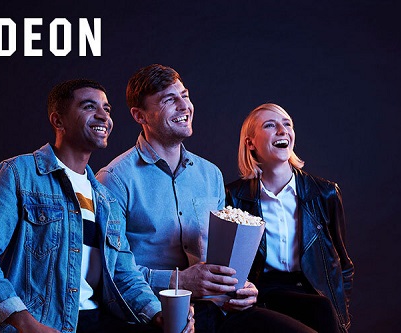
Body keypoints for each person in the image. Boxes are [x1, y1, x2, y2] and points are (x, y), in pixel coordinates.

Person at [0, 79, 194, 333]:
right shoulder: (18, 175)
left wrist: (157, 313)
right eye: (88, 107)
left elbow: (123, 274)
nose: (103, 116)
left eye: (107, 109)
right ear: (58, 121)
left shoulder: (106, 200)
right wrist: (26, 323)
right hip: (41, 324)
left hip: (98, 322)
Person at [96, 64, 315, 333]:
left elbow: (223, 256)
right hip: (156, 316)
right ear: (140, 115)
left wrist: (239, 288)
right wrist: (179, 281)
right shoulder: (114, 179)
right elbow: (114, 273)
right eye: (168, 100)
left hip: (216, 309)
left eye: (184, 96)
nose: (183, 106)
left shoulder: (210, 174)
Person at [224, 103, 355, 332]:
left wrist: (341, 313)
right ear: (250, 143)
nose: (283, 131)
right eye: (270, 125)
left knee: (322, 309)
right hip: (263, 295)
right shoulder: (233, 197)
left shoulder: (325, 193)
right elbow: (225, 263)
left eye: (287, 124)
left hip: (313, 292)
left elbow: (343, 265)